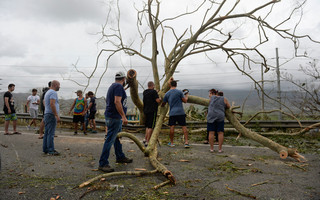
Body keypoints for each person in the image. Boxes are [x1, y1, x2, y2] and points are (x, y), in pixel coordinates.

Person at [98, 71, 132, 173]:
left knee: (116, 138)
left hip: (111, 116)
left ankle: (120, 156)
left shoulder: (114, 86)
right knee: (110, 139)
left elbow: (118, 97)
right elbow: (117, 101)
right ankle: (103, 163)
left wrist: (125, 89)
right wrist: (123, 116)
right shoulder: (118, 87)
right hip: (115, 117)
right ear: (124, 79)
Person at [161, 80, 190, 148]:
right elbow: (185, 101)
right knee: (184, 127)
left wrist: (162, 105)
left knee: (172, 127)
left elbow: (163, 103)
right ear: (176, 85)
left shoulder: (167, 94)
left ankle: (171, 143)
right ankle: (186, 142)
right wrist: (186, 96)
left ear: (170, 85)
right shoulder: (179, 92)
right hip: (180, 112)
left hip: (172, 113)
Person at [207, 88, 230, 153]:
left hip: (211, 116)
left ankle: (211, 149)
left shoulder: (211, 98)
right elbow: (228, 106)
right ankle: (220, 149)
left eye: (209, 93)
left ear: (213, 93)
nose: (209, 95)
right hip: (220, 116)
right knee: (220, 132)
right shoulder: (224, 99)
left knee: (211, 132)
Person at [43, 80, 60, 155]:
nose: (59, 87)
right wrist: (56, 115)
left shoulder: (48, 92)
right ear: (55, 85)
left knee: (47, 133)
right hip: (51, 115)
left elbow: (44, 102)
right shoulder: (53, 92)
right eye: (59, 85)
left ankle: (45, 149)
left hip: (47, 114)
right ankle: (50, 150)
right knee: (51, 133)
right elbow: (52, 104)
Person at [143, 81, 160, 147]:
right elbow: (157, 100)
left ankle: (145, 138)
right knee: (151, 126)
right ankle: (148, 141)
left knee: (147, 126)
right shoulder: (154, 92)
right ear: (153, 85)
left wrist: (156, 92)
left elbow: (151, 95)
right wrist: (160, 98)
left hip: (146, 110)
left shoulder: (145, 92)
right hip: (152, 111)